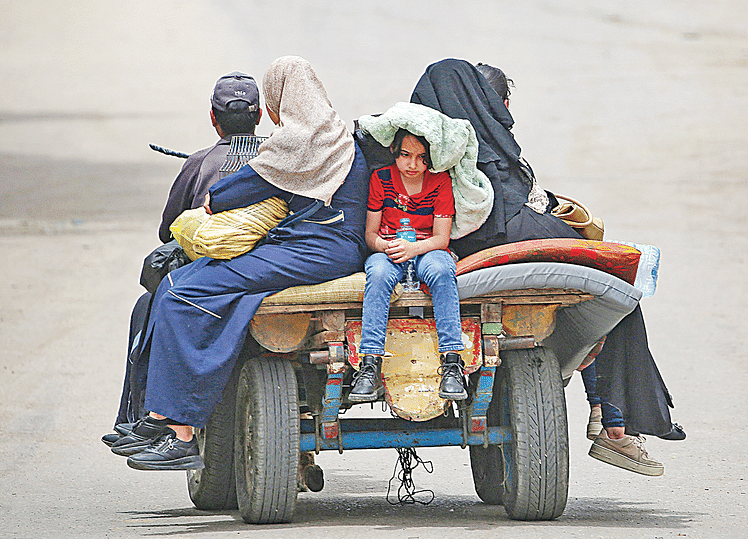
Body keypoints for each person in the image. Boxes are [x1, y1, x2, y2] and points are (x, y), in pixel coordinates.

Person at [411, 59, 682, 476]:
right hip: (501, 253)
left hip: (435, 262)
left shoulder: (411, 146)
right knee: (615, 293)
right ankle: (613, 423)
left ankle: (610, 420)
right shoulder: (491, 150)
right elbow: (513, 212)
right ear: (492, 104)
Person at [110, 56, 370, 471]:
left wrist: (218, 201)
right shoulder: (338, 137)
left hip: (311, 251)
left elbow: (230, 193)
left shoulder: (298, 141)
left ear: (280, 99)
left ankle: (179, 432)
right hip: (316, 248)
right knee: (201, 286)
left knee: (180, 290)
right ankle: (160, 417)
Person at [102, 72, 262, 446]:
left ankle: (143, 416)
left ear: (213, 117)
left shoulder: (200, 162)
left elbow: (167, 231)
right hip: (269, 266)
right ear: (260, 117)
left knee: (151, 302)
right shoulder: (280, 158)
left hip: (212, 276)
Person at [350, 129, 467, 402]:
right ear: (394, 152)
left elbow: (441, 237)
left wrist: (413, 249)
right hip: (389, 249)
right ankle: (370, 365)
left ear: (430, 159)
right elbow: (370, 235)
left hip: (428, 248)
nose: (412, 165)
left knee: (441, 270)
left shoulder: (440, 182)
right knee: (377, 274)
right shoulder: (381, 179)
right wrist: (385, 247)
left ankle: (452, 363)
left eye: (421, 158)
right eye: (405, 155)